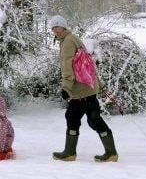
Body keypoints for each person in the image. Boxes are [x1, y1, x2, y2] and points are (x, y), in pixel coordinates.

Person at [48, 15, 117, 162]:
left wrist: (65, 87)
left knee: (93, 119)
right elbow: (88, 63)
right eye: (53, 28)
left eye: (57, 27)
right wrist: (99, 83)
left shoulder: (67, 42)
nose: (55, 31)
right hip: (86, 88)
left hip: (81, 90)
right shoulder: (73, 38)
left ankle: (110, 153)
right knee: (74, 117)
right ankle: (70, 152)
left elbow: (68, 67)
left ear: (64, 27)